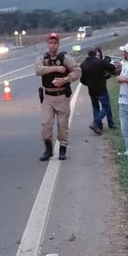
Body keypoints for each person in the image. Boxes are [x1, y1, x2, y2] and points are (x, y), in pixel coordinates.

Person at [35, 32, 81, 161]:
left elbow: (77, 72)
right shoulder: (42, 58)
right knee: (46, 124)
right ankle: (48, 150)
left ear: (58, 44)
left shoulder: (66, 58)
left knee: (62, 125)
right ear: (47, 44)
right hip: (47, 97)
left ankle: (62, 149)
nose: (52, 45)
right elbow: (38, 70)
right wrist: (55, 68)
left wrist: (65, 79)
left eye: (55, 43)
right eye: (50, 43)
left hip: (62, 96)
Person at [79, 48, 117, 135]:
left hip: (91, 90)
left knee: (96, 108)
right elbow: (112, 67)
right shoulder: (99, 62)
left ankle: (99, 127)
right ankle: (96, 122)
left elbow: (82, 80)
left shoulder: (83, 64)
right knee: (106, 107)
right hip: (101, 89)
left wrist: (89, 84)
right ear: (94, 55)